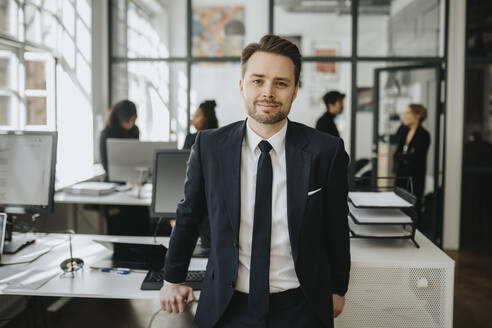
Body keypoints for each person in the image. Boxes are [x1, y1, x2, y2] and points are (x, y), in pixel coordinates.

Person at [160, 35, 350, 328]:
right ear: (242, 84)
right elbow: (189, 214)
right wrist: (172, 278)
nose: (268, 92)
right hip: (227, 305)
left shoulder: (326, 151)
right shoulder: (209, 146)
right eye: (258, 81)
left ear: (295, 90)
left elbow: (336, 225)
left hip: (301, 304)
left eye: (281, 83)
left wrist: (339, 287)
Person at [99, 100, 149, 236]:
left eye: (134, 120)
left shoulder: (135, 131)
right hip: (114, 186)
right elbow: (106, 166)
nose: (131, 124)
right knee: (118, 228)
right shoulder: (106, 134)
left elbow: (138, 157)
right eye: (129, 120)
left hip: (134, 186)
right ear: (121, 118)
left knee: (141, 220)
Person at [393, 104, 431, 214]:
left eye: (408, 113)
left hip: (415, 176)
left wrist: (406, 156)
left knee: (413, 207)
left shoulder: (424, 135)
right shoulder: (404, 132)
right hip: (401, 174)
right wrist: (407, 155)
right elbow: (396, 155)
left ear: (418, 115)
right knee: (398, 205)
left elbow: (415, 158)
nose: (405, 116)